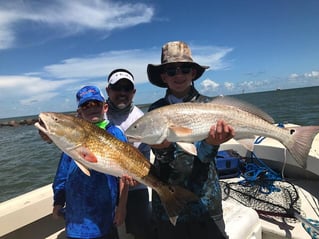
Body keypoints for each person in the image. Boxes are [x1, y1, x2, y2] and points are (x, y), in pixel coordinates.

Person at [146, 41, 235, 239]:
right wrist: (161, 149)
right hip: (168, 203)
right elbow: (163, 159)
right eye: (171, 70)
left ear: (193, 74)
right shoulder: (155, 111)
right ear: (163, 77)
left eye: (185, 69)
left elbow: (203, 158)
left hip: (205, 199)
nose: (179, 75)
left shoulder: (211, 106)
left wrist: (212, 144)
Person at [52, 85, 128, 239]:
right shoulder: (72, 138)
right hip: (75, 220)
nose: (92, 108)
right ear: (79, 113)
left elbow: (125, 174)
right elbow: (62, 173)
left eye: (96, 104)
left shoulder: (115, 133)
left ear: (105, 107)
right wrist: (58, 201)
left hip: (104, 218)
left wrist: (121, 207)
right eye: (86, 106)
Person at [105, 68, 152, 239]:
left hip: (134, 186)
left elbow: (144, 157)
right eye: (117, 88)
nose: (122, 93)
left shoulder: (142, 120)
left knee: (143, 230)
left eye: (127, 89)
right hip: (104, 185)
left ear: (133, 92)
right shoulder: (96, 114)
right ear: (108, 91)